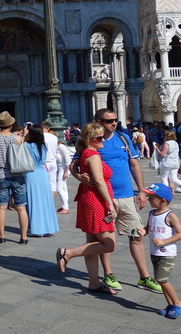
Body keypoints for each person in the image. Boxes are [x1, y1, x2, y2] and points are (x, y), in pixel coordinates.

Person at [71, 108, 161, 293]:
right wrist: (79, 176)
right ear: (98, 122)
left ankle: (144, 277)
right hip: (102, 199)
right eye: (109, 120)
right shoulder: (91, 142)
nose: (114, 123)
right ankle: (109, 274)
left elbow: (134, 164)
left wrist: (142, 191)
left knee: (136, 234)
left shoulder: (123, 138)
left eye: (115, 121)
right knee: (104, 239)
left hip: (125, 195)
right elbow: (73, 165)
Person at [56, 123, 119, 293]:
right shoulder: (93, 155)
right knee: (109, 244)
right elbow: (99, 181)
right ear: (90, 140)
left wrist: (77, 174)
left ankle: (93, 282)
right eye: (99, 138)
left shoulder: (85, 153)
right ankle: (68, 253)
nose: (103, 140)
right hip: (96, 201)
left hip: (88, 199)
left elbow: (73, 166)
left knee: (91, 242)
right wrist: (110, 203)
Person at [0, 111, 30, 244]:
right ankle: (23, 237)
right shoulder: (18, 139)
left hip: (1, 175)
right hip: (18, 175)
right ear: (11, 124)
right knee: (21, 208)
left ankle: (1, 236)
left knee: (1, 207)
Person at [138, 183, 181, 318]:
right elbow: (148, 228)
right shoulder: (152, 213)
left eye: (151, 198)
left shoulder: (170, 215)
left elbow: (179, 233)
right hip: (154, 252)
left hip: (167, 253)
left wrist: (164, 241)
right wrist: (142, 231)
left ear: (162, 200)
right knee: (159, 279)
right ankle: (170, 305)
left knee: (162, 280)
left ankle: (177, 304)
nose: (149, 199)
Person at [24, 125, 59, 236]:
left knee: (33, 201)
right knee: (45, 201)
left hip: (31, 173)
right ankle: (47, 227)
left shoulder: (27, 145)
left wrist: (24, 135)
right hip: (43, 173)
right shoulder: (45, 145)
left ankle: (36, 229)